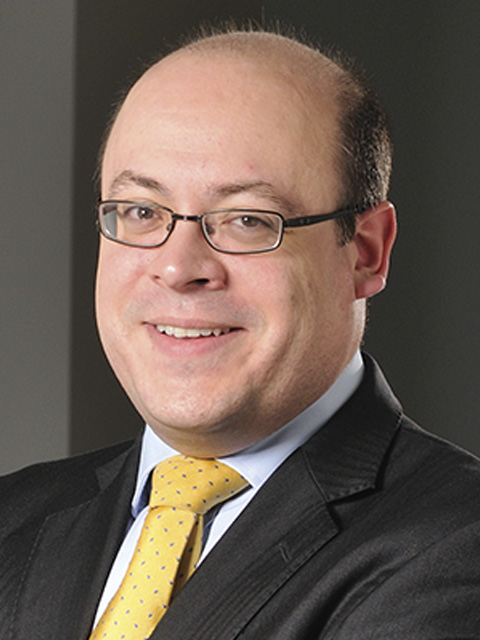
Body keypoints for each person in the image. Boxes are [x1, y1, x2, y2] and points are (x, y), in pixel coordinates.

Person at [1, 26, 480, 640]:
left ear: (366, 252)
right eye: (142, 211)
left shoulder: (454, 547)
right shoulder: (14, 517)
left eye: (248, 219)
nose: (178, 268)